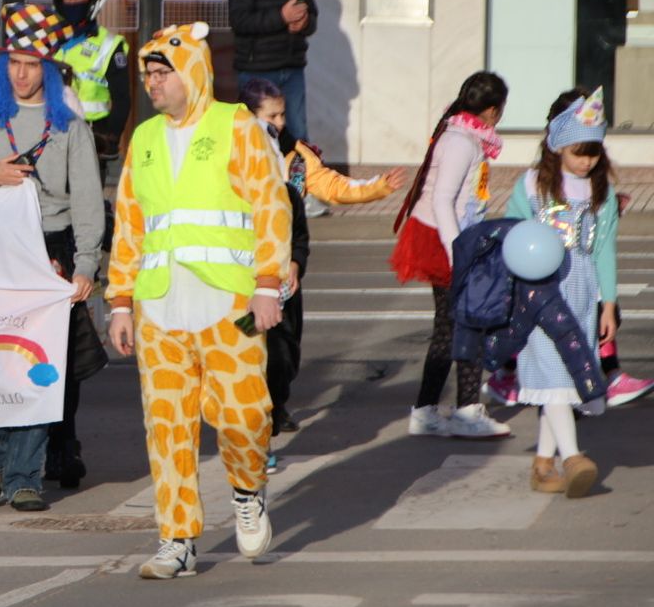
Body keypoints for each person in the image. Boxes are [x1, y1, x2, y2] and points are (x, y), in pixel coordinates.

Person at [106, 22, 291, 580]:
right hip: (159, 306)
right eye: (148, 75)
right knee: (167, 428)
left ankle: (247, 489)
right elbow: (130, 224)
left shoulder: (236, 126)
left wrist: (267, 284)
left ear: (191, 72)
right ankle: (177, 539)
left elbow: (270, 204)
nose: (153, 83)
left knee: (245, 416)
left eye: (162, 73)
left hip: (230, 303)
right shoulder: (143, 138)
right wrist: (120, 301)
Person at [0, 4, 105, 513]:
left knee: (39, 366)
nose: (22, 74)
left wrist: (86, 264)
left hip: (49, 252)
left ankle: (26, 474)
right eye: (14, 63)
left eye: (32, 65)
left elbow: (88, 200)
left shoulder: (69, 125)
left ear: (48, 69)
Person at [240, 76, 405, 440]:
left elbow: (332, 185)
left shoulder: (297, 156)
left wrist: (378, 187)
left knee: (286, 349)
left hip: (286, 265)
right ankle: (258, 415)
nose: (280, 123)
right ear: (248, 116)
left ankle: (276, 403)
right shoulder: (232, 153)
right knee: (252, 345)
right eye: (271, 116)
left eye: (282, 114)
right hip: (243, 267)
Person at [506, 89, 618, 497]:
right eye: (578, 153)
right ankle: (572, 458)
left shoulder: (601, 194)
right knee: (554, 373)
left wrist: (609, 304)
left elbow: (605, 250)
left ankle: (543, 464)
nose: (586, 161)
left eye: (593, 153)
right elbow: (511, 234)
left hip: (583, 294)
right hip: (539, 293)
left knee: (566, 378)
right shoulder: (531, 185)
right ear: (556, 147)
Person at [389, 70, 513, 439]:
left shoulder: (463, 134)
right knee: (469, 324)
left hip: (447, 235)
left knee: (448, 328)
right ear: (492, 110)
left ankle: (427, 411)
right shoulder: (462, 141)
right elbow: (444, 200)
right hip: (446, 240)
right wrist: (459, 253)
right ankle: (467, 412)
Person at [229, 0, 318, 144]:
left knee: (297, 134)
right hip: (257, 70)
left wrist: (304, 23)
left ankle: (298, 169)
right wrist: (281, 17)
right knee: (258, 135)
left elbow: (313, 17)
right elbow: (240, 21)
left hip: (292, 68)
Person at [50, 0, 131, 155]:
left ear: (94, 0)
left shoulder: (109, 45)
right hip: (49, 131)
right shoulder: (47, 39)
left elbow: (122, 99)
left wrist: (111, 138)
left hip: (92, 134)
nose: (72, 3)